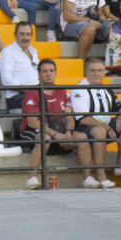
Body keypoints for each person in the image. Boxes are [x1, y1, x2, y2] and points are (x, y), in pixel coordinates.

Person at [70, 58, 121, 189]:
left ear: (104, 73)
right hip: (84, 129)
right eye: (93, 71)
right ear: (86, 72)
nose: (97, 74)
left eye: (100, 70)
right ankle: (102, 176)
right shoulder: (78, 90)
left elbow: (118, 106)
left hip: (105, 126)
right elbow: (83, 119)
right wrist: (108, 128)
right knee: (100, 131)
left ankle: (120, 164)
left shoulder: (106, 89)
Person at [19, 58, 77, 189]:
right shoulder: (32, 93)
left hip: (57, 130)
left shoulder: (62, 92)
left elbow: (69, 117)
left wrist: (68, 132)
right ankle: (31, 178)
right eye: (45, 71)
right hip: (32, 130)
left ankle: (88, 178)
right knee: (45, 138)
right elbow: (33, 122)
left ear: (56, 73)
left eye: (51, 71)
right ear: (39, 75)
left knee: (82, 138)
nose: (49, 74)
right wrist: (56, 134)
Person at [61, 0, 111, 66]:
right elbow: (66, 16)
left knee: (114, 28)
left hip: (93, 23)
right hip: (71, 25)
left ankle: (111, 64)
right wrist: (89, 21)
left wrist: (102, 17)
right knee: (90, 28)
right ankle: (81, 64)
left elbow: (100, 13)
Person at [0, 22, 40, 110]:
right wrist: (28, 90)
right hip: (16, 97)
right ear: (15, 35)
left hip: (35, 93)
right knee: (42, 102)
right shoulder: (7, 52)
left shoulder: (34, 52)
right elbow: (7, 80)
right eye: (22, 34)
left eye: (28, 34)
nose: (25, 38)